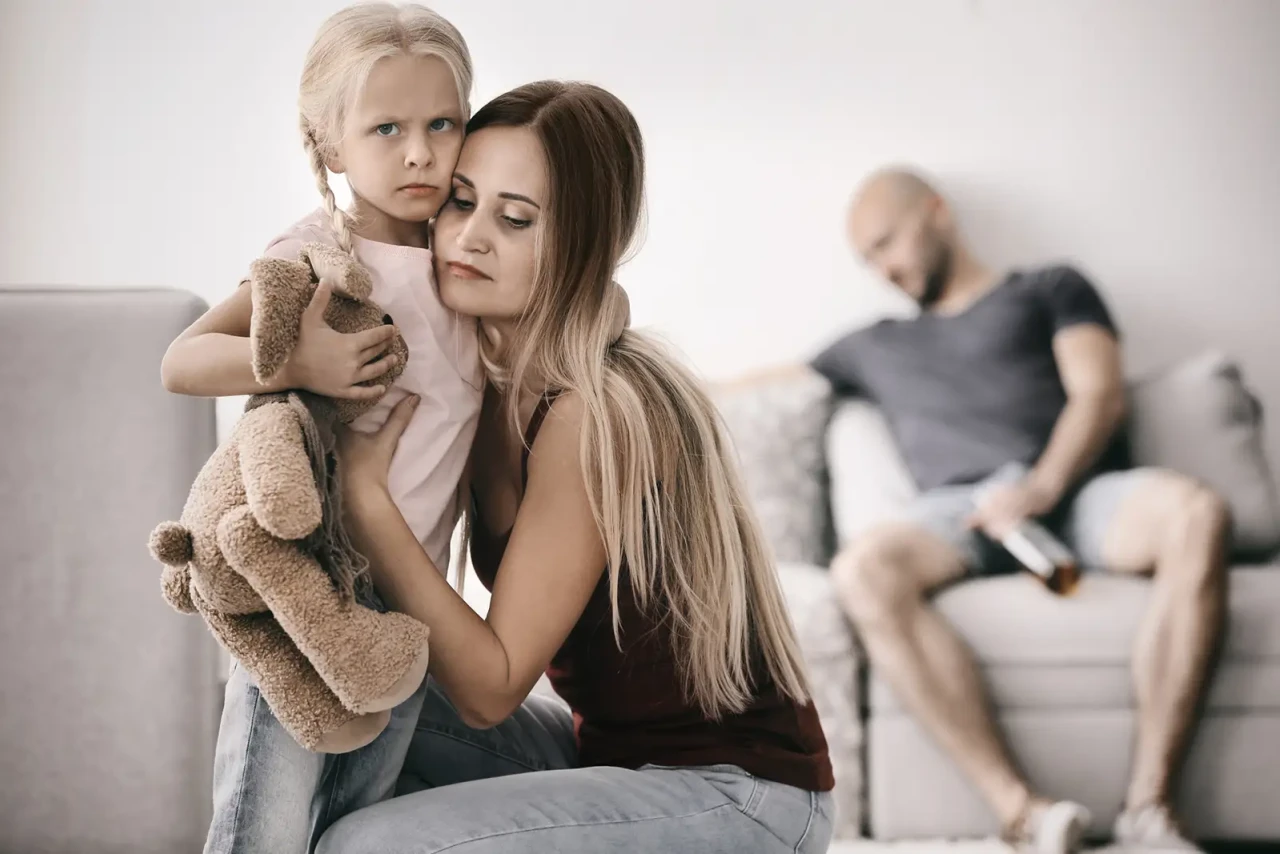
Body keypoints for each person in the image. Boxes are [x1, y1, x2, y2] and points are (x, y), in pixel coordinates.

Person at [312, 80, 834, 853]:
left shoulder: (601, 413)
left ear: (582, 243)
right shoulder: (480, 384)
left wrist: (366, 497)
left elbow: (490, 691)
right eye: (461, 202)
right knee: (340, 697)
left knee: (371, 847)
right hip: (614, 758)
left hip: (741, 795)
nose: (471, 237)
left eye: (516, 218)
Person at [807, 168, 1227, 852]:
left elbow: (1098, 395)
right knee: (862, 572)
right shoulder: (873, 344)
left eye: (887, 243)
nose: (882, 268)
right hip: (957, 512)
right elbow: (749, 387)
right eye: (868, 259)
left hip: (1077, 492)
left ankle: (1150, 809)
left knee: (1198, 515)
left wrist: (1041, 487)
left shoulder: (1050, 288)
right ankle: (1025, 813)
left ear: (936, 213)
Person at [160, 4, 484, 851]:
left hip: (406, 596)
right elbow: (182, 362)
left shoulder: (469, 252)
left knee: (354, 820)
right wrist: (300, 364)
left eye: (442, 123)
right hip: (309, 587)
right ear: (332, 146)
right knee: (262, 818)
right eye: (387, 128)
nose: (420, 151)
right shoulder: (319, 252)